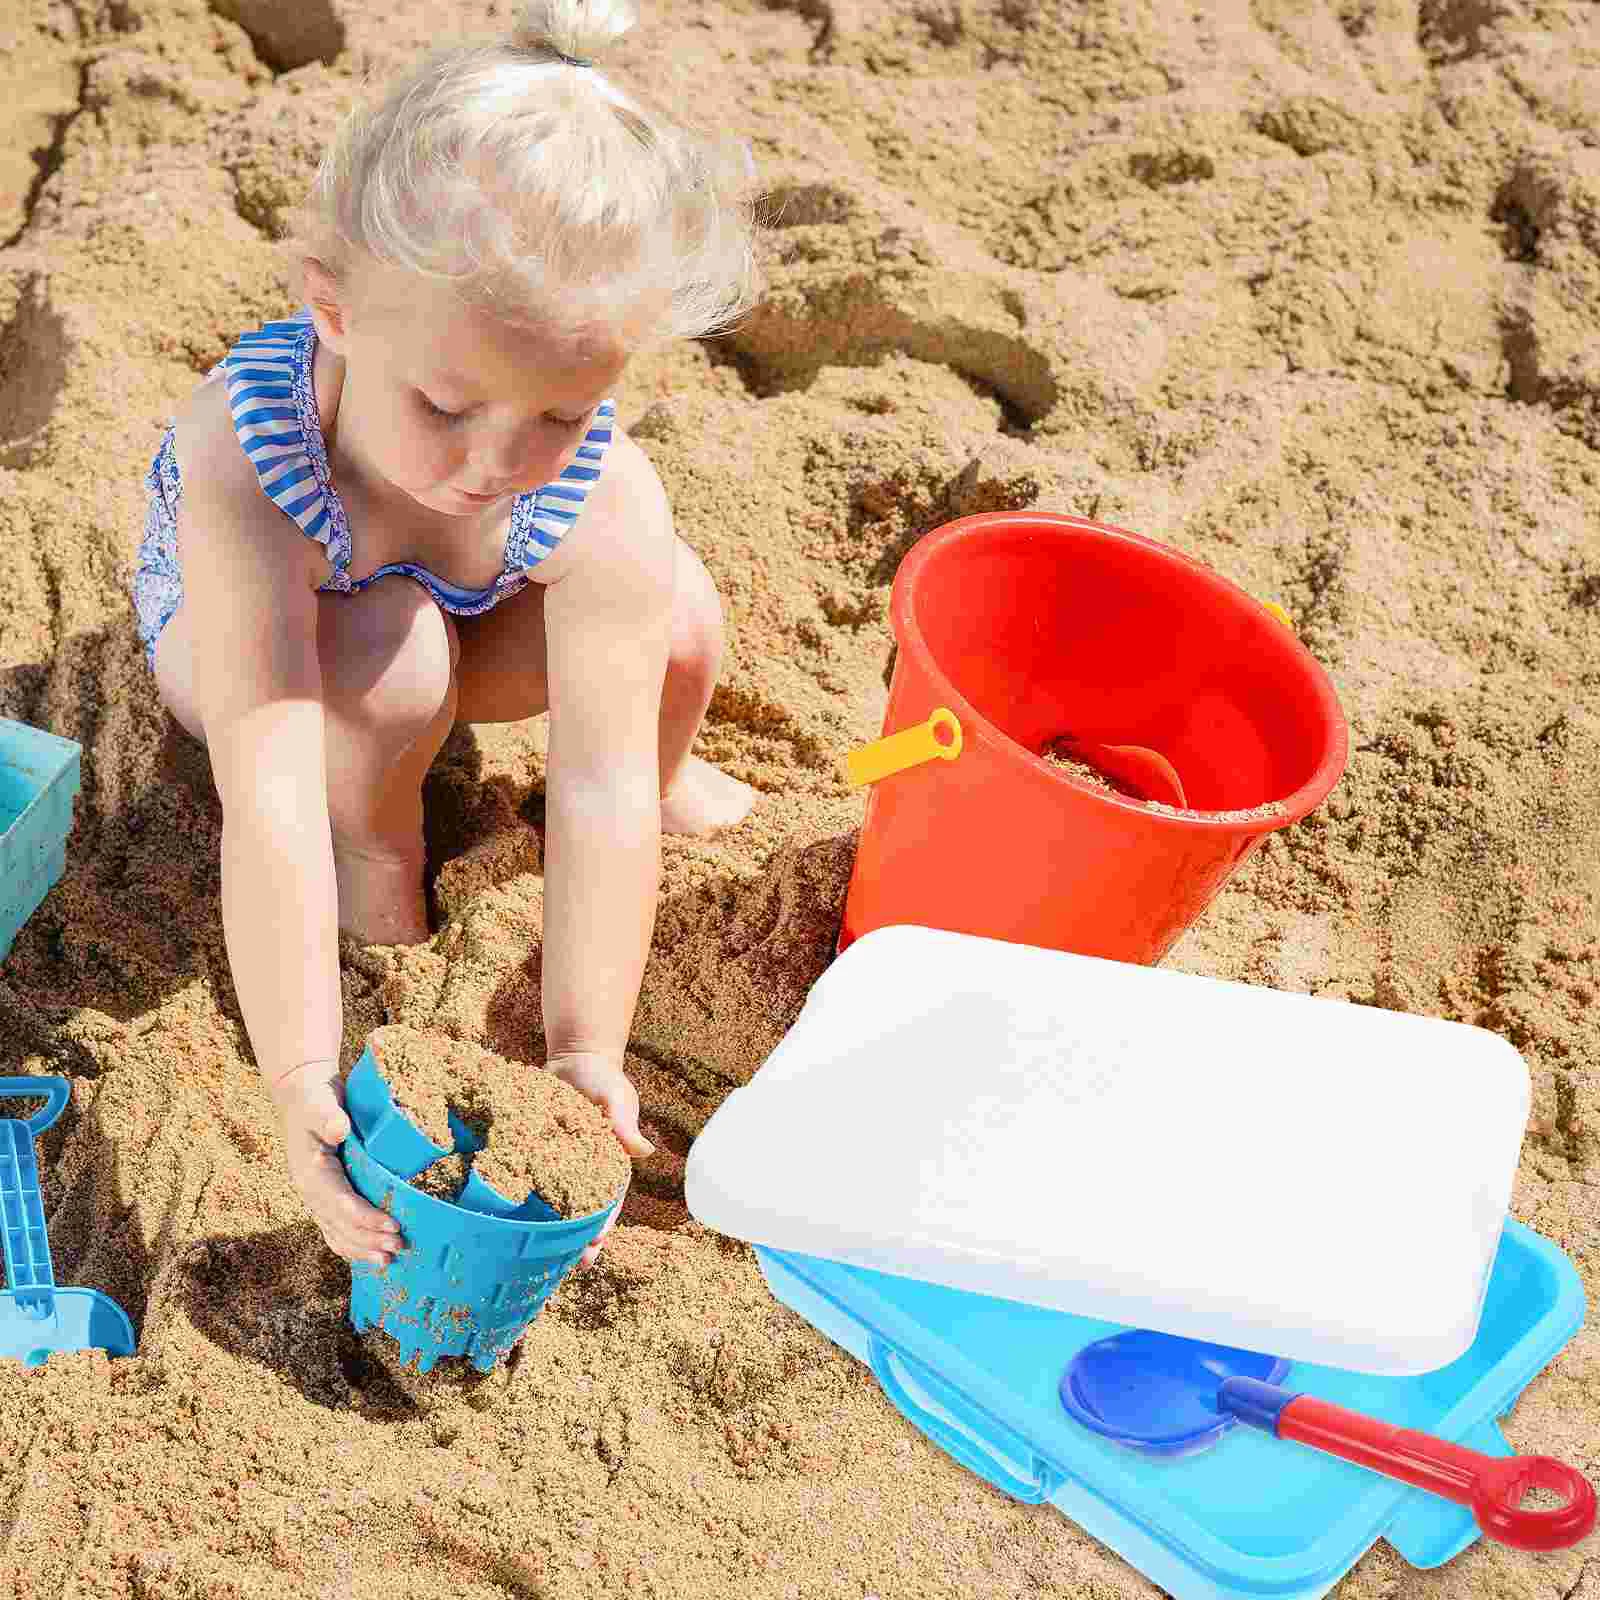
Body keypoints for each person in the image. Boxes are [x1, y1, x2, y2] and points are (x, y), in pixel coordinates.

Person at [130, 0, 762, 1271]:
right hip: (260, 646)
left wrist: (586, 1045)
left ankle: (673, 762)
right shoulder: (245, 461)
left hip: (467, 609)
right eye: (447, 405)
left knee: (677, 617)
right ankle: (379, 847)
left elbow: (591, 792)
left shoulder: (595, 487)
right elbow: (262, 787)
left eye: (559, 417)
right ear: (336, 308)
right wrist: (302, 1069)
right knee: (391, 660)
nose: (496, 464)